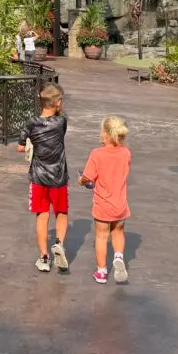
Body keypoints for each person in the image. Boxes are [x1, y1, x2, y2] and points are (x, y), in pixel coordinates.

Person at [17, 82, 69, 272]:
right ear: (58, 103)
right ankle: (59, 244)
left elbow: (20, 146)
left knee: (42, 215)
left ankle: (44, 257)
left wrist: (28, 143)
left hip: (39, 176)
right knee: (61, 213)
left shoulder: (30, 123)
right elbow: (60, 131)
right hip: (58, 175)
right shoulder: (61, 122)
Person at [79, 116, 131, 284]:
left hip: (103, 204)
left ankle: (101, 272)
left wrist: (81, 181)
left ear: (106, 134)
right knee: (118, 232)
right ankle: (118, 256)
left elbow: (88, 177)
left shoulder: (97, 154)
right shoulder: (125, 153)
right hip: (120, 204)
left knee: (101, 236)